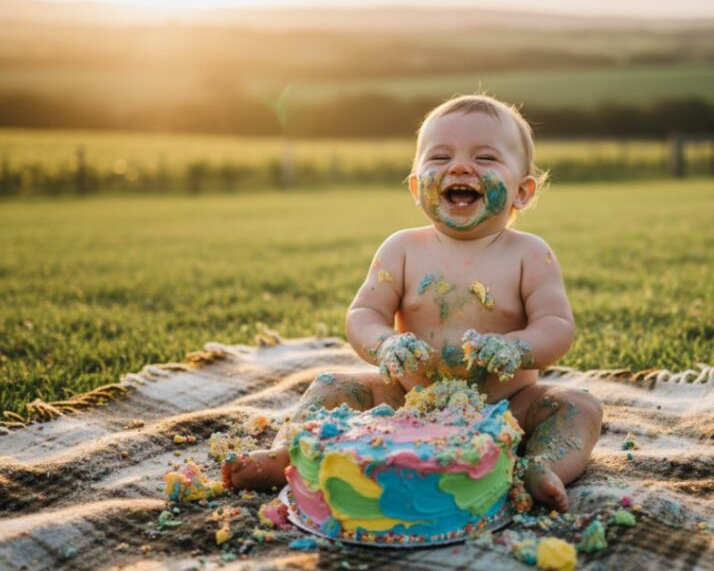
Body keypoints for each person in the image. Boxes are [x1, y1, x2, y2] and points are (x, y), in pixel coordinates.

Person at [223, 94, 602, 512]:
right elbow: (364, 314)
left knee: (579, 406)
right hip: (406, 399)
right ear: (417, 186)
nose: (459, 167)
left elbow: (556, 327)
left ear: (522, 191)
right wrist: (384, 344)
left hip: (506, 409)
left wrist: (517, 347)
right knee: (331, 385)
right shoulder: (402, 249)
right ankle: (288, 454)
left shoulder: (530, 254)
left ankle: (541, 465)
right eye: (440, 156)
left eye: (486, 157)